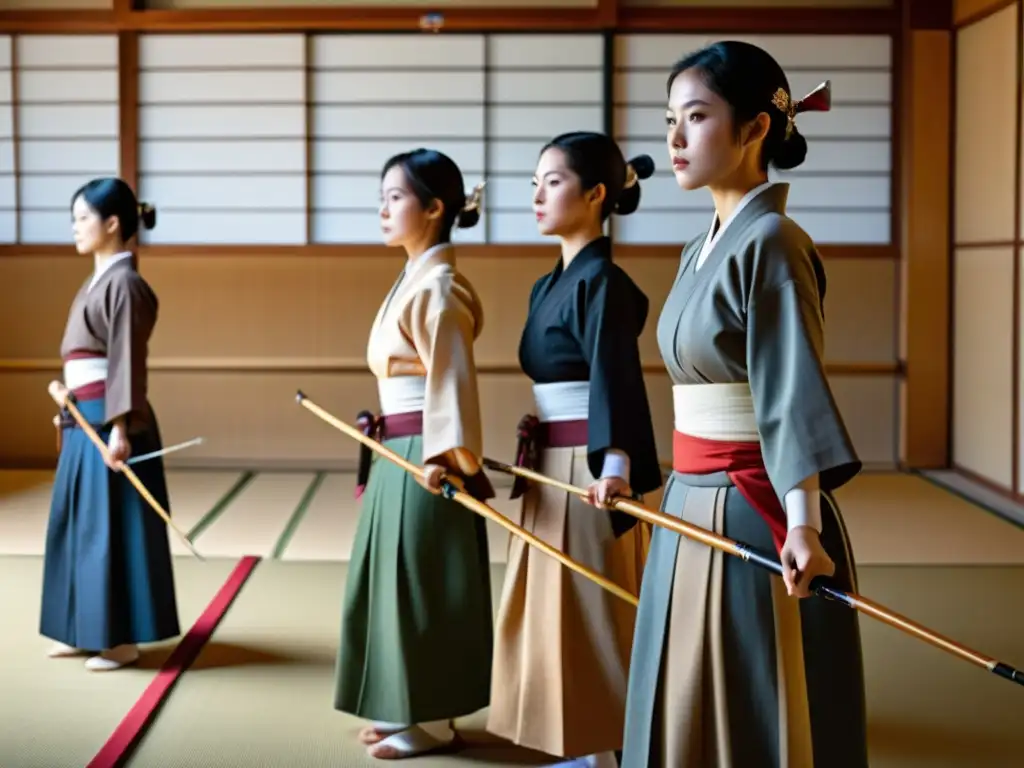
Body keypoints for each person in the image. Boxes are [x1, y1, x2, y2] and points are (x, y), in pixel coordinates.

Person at [620, 41, 869, 767]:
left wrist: (803, 525)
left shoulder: (776, 242)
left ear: (755, 129)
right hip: (688, 497)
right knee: (688, 685)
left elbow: (791, 394)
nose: (673, 139)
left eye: (695, 118)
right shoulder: (699, 247)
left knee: (757, 695)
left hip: (754, 505)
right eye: (670, 119)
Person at [487, 132, 662, 768]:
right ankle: (578, 742)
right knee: (549, 603)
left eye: (552, 181)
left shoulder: (605, 284)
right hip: (550, 467)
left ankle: (606, 747)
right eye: (533, 181)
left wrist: (616, 464)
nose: (536, 193)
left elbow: (616, 375)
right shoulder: (547, 286)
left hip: (588, 466)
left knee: (592, 605)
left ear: (595, 195)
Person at [333, 148, 494, 760]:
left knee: (422, 580)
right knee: (390, 579)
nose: (383, 207)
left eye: (395, 197)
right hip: (395, 449)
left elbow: (450, 382)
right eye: (383, 195)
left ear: (433, 208)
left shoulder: (441, 285)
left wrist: (447, 456)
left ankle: (431, 719)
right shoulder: (416, 277)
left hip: (424, 454)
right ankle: (405, 703)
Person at [41, 177, 179, 672]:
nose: (75, 227)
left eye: (83, 218)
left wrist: (121, 428)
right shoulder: (99, 281)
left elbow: (126, 362)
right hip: (83, 417)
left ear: (113, 224)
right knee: (79, 525)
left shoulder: (127, 284)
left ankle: (119, 638)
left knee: (110, 530)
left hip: (110, 421)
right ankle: (82, 629)